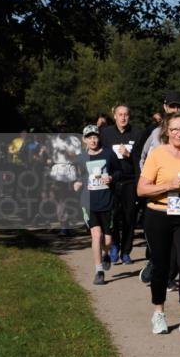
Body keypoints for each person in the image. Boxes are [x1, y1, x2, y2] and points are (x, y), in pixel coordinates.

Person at [137, 112, 180, 338]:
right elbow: (142, 189)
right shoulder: (157, 154)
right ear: (167, 131)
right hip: (158, 214)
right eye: (175, 129)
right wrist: (167, 185)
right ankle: (159, 312)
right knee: (161, 266)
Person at [73, 125, 121, 285]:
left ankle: (106, 254)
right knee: (96, 235)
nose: (93, 140)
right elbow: (78, 176)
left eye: (95, 137)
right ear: (85, 139)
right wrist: (77, 183)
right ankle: (99, 271)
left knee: (107, 240)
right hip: (89, 201)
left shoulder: (108, 154)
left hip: (107, 200)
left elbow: (119, 171)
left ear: (99, 138)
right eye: (89, 137)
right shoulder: (80, 158)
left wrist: (112, 178)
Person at [100, 104, 139, 265]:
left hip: (130, 181)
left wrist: (129, 155)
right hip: (112, 182)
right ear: (114, 116)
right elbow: (99, 154)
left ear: (129, 116)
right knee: (114, 217)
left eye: (126, 115)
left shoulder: (137, 133)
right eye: (120, 114)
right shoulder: (106, 134)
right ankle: (114, 246)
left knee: (130, 217)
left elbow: (142, 159)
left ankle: (126, 252)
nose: (123, 118)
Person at [47, 125, 81, 236]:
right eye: (59, 128)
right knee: (59, 199)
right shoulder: (52, 141)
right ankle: (64, 225)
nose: (62, 131)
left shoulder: (74, 140)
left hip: (70, 173)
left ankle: (66, 225)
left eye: (63, 128)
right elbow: (49, 157)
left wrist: (68, 153)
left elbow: (79, 158)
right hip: (56, 173)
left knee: (67, 199)